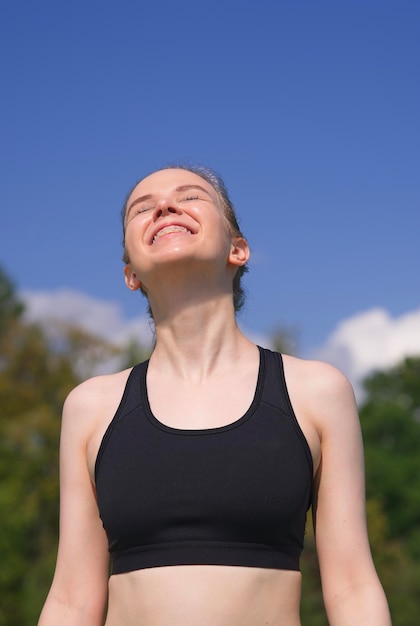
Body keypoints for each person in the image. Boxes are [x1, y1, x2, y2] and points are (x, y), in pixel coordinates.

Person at [38, 165, 391, 626]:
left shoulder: (317, 392)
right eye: (142, 209)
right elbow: (71, 600)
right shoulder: (91, 407)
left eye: (189, 197)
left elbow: (353, 588)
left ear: (237, 249)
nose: (164, 206)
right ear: (130, 272)